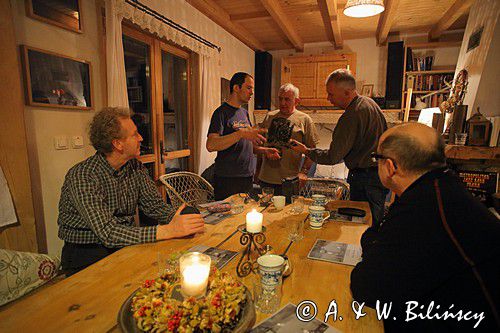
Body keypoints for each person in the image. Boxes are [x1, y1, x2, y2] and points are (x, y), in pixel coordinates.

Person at [350, 123, 500, 332]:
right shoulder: (442, 187)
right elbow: (379, 239)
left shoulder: (423, 206)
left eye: (377, 158)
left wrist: (373, 246)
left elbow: (367, 288)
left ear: (391, 166)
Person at [58, 107, 205, 276]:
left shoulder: (134, 166)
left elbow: (155, 206)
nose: (141, 138)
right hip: (86, 253)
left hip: (122, 244)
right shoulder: (83, 175)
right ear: (117, 144)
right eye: (135, 134)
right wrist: (169, 230)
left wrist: (183, 218)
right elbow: (108, 232)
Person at [291, 69, 388, 227]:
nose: (328, 99)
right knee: (374, 222)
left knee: (362, 227)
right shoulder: (370, 103)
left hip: (365, 180)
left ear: (347, 92)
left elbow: (333, 157)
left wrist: (306, 151)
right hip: (379, 175)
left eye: (331, 94)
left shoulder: (351, 115)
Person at [206, 72, 266, 200]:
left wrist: (265, 151)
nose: (252, 92)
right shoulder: (221, 113)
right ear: (236, 88)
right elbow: (211, 145)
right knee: (227, 219)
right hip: (228, 178)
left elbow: (246, 144)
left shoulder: (244, 112)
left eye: (252, 89)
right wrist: (241, 133)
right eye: (248, 88)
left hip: (246, 176)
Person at [256, 83, 319, 194]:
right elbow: (261, 145)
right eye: (280, 99)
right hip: (266, 179)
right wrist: (257, 170)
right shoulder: (269, 116)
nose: (282, 103)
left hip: (290, 180)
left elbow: (312, 150)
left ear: (297, 101)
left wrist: (304, 172)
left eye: (287, 99)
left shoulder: (305, 120)